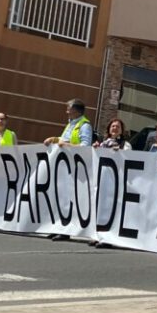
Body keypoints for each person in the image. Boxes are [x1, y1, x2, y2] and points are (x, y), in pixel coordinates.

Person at [44, 98, 92, 241]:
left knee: (68, 198)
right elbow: (64, 139)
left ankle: (65, 230)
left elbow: (85, 145)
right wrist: (54, 138)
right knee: (60, 196)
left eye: (68, 109)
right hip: (65, 165)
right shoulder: (71, 124)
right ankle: (59, 226)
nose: (66, 111)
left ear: (76, 111)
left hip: (75, 167)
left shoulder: (84, 125)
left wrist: (67, 145)